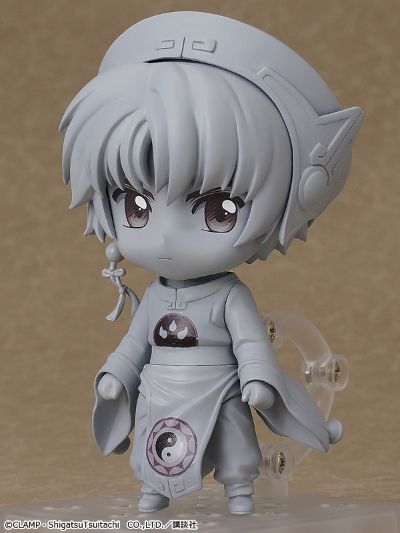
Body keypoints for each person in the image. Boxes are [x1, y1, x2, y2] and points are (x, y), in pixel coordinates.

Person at [60, 12, 363, 514]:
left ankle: (239, 487)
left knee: (233, 436)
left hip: (219, 384)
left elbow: (249, 343)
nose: (165, 237)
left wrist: (258, 377)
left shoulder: (228, 295)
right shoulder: (155, 295)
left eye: (219, 210)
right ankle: (153, 490)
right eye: (136, 206)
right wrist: (117, 373)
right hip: (161, 387)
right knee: (152, 443)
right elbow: (135, 343)